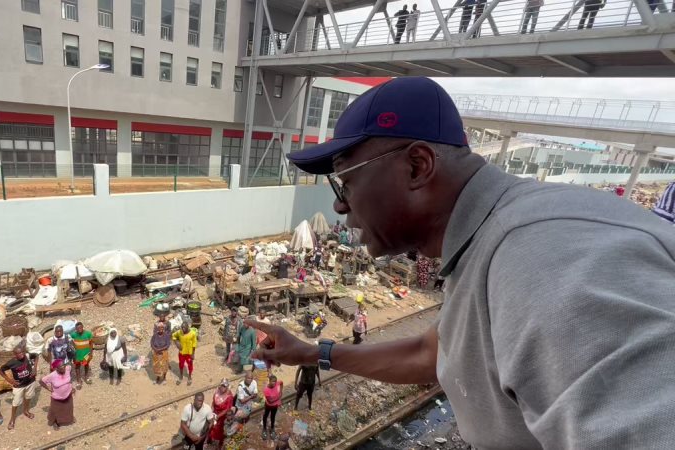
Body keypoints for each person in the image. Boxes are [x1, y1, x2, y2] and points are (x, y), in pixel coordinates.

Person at [248, 76, 675, 449]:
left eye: (346, 181)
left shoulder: (541, 260)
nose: (340, 206)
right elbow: (430, 354)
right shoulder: (490, 244)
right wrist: (310, 352)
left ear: (417, 166)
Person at [0, 346, 38, 430]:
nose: (21, 355)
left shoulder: (27, 356)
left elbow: (36, 355)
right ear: (15, 355)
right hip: (19, 385)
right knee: (16, 403)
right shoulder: (11, 363)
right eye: (18, 353)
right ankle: (12, 419)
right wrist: (10, 380)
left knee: (28, 397)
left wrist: (35, 368)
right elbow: (0, 370)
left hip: (30, 382)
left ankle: (26, 411)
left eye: (22, 352)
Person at [39, 359, 75, 430]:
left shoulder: (68, 368)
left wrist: (70, 385)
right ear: (56, 368)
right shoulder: (52, 375)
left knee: (68, 407)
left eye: (63, 365)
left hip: (68, 394)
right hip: (57, 397)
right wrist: (48, 388)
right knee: (56, 410)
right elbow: (41, 381)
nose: (63, 367)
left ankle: (69, 418)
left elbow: (71, 369)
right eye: (61, 366)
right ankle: (55, 422)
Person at [208, 379, 234, 448]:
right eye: (222, 385)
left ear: (227, 387)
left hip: (223, 416)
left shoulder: (229, 397)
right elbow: (213, 403)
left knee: (221, 431)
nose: (223, 387)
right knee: (211, 427)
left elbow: (226, 409)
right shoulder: (217, 391)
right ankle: (210, 440)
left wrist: (217, 416)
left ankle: (219, 444)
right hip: (215, 414)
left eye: (225, 386)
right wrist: (211, 412)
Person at [69, 322, 93, 389]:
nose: (79, 329)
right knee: (77, 367)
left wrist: (91, 353)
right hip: (77, 354)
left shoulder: (88, 334)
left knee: (86, 365)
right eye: (77, 328)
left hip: (86, 354)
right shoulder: (73, 335)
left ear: (83, 327)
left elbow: (91, 344)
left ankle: (86, 377)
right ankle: (79, 381)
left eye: (80, 327)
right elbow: (70, 341)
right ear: (75, 329)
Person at [262, 375, 283, 441]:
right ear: (269, 381)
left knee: (273, 417)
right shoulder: (266, 390)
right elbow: (270, 401)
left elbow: (281, 382)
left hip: (275, 406)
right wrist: (279, 397)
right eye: (272, 381)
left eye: (275, 381)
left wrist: (281, 391)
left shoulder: (277, 383)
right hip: (268, 405)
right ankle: (264, 429)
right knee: (265, 415)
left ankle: (272, 428)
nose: (274, 383)